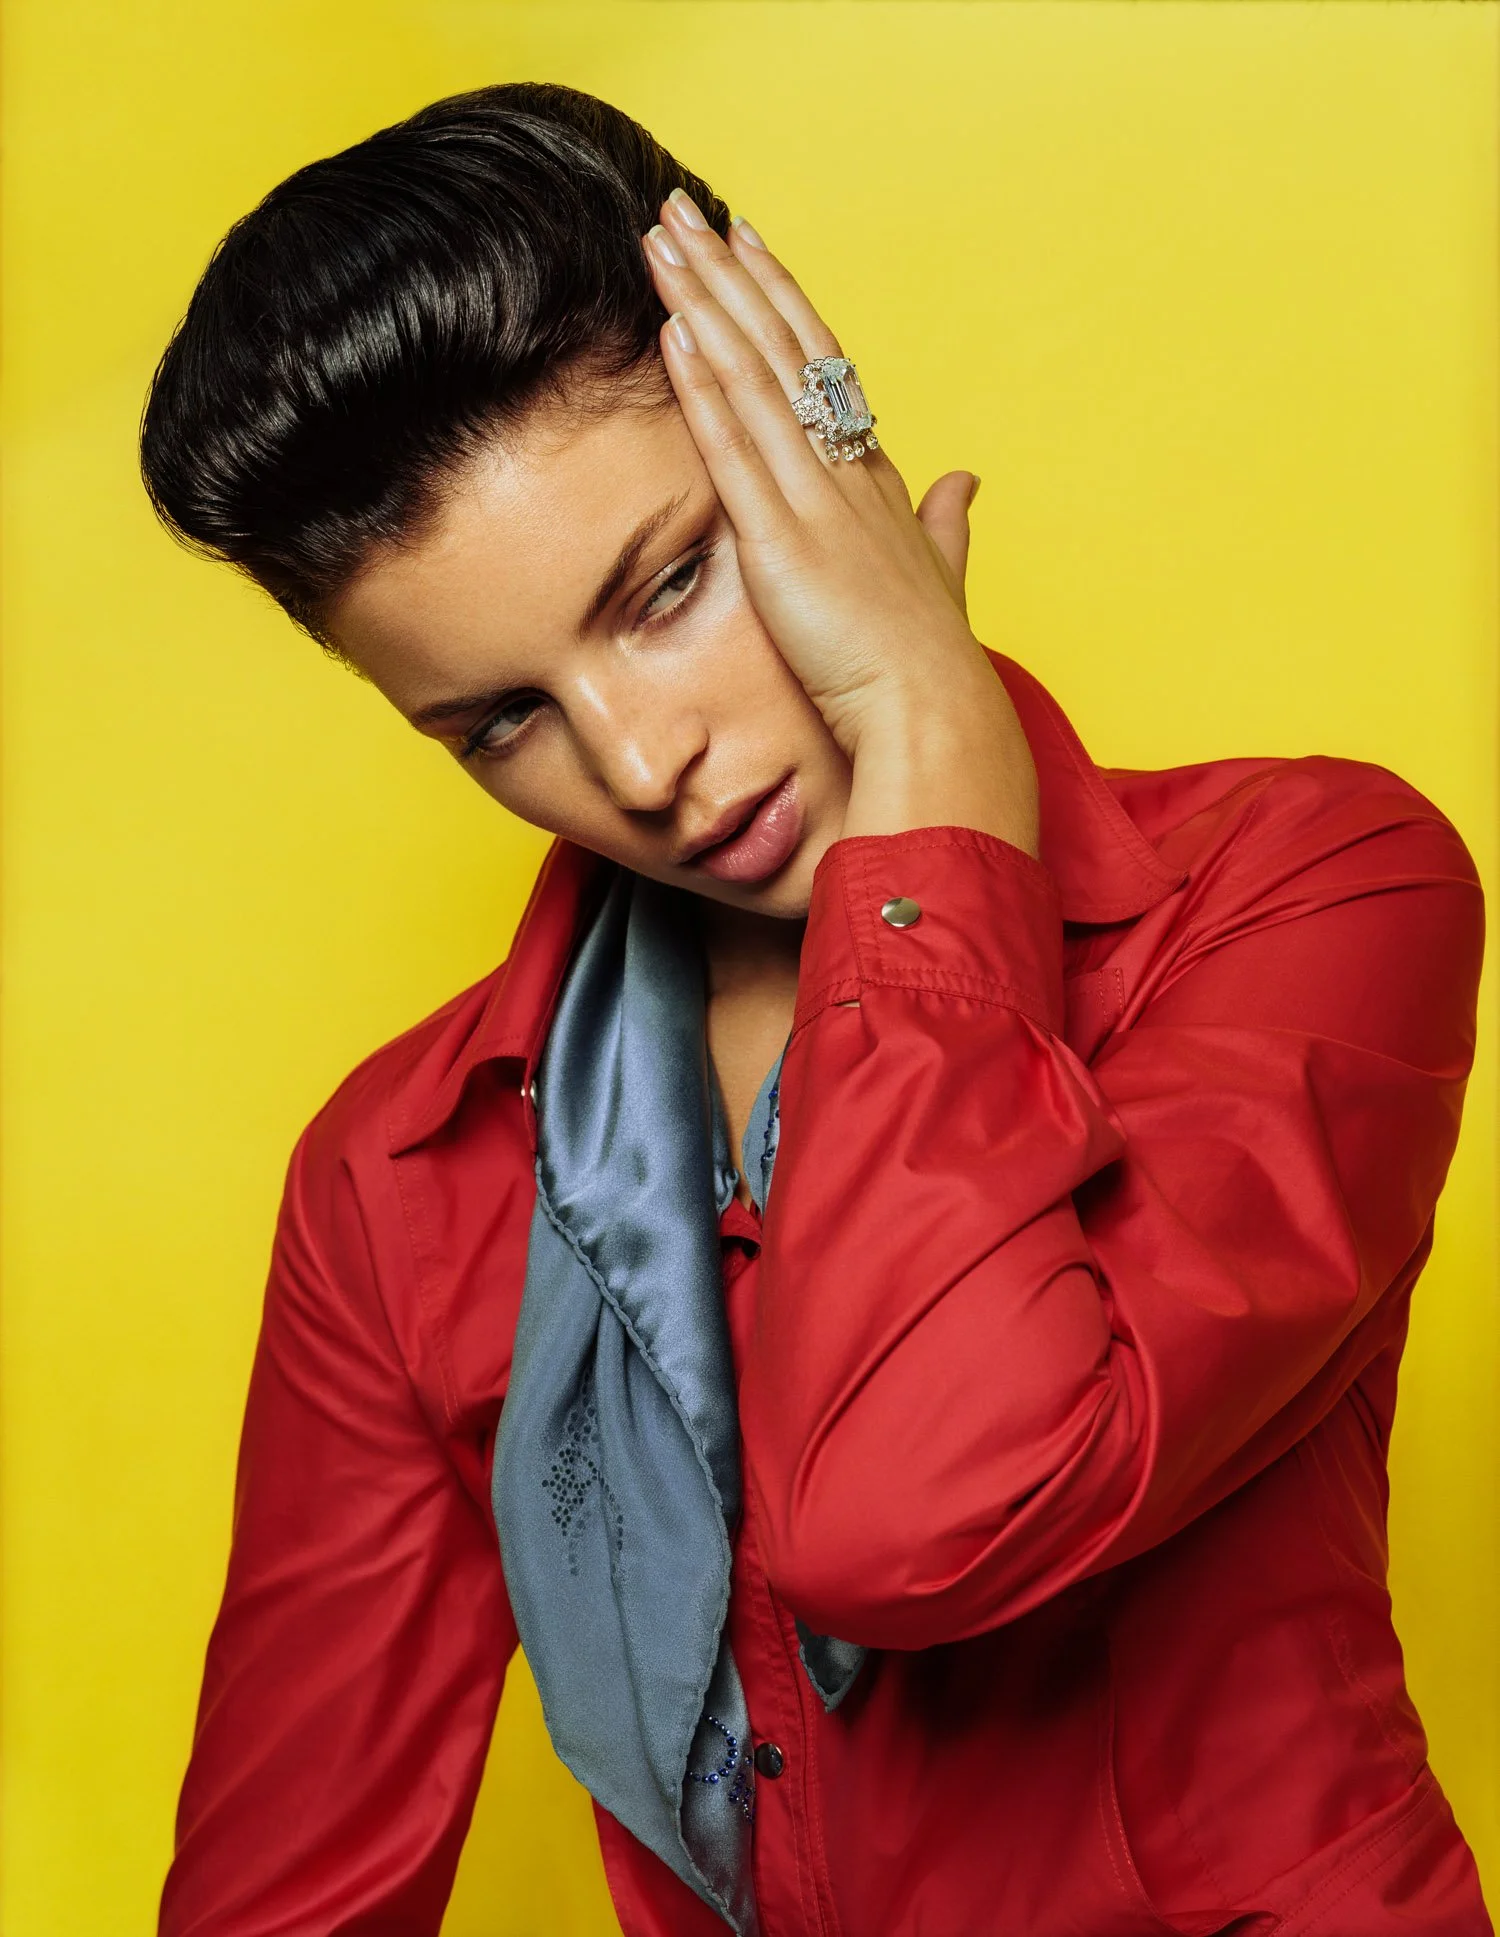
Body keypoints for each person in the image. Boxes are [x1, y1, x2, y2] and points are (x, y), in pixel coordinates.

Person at [139, 82, 1491, 1937]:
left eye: (671, 584)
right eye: (501, 723)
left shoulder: (1305, 892)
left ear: (817, 444)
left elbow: (925, 1509)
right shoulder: (404, 1179)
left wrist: (932, 741)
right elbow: (280, 1891)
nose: (641, 762)